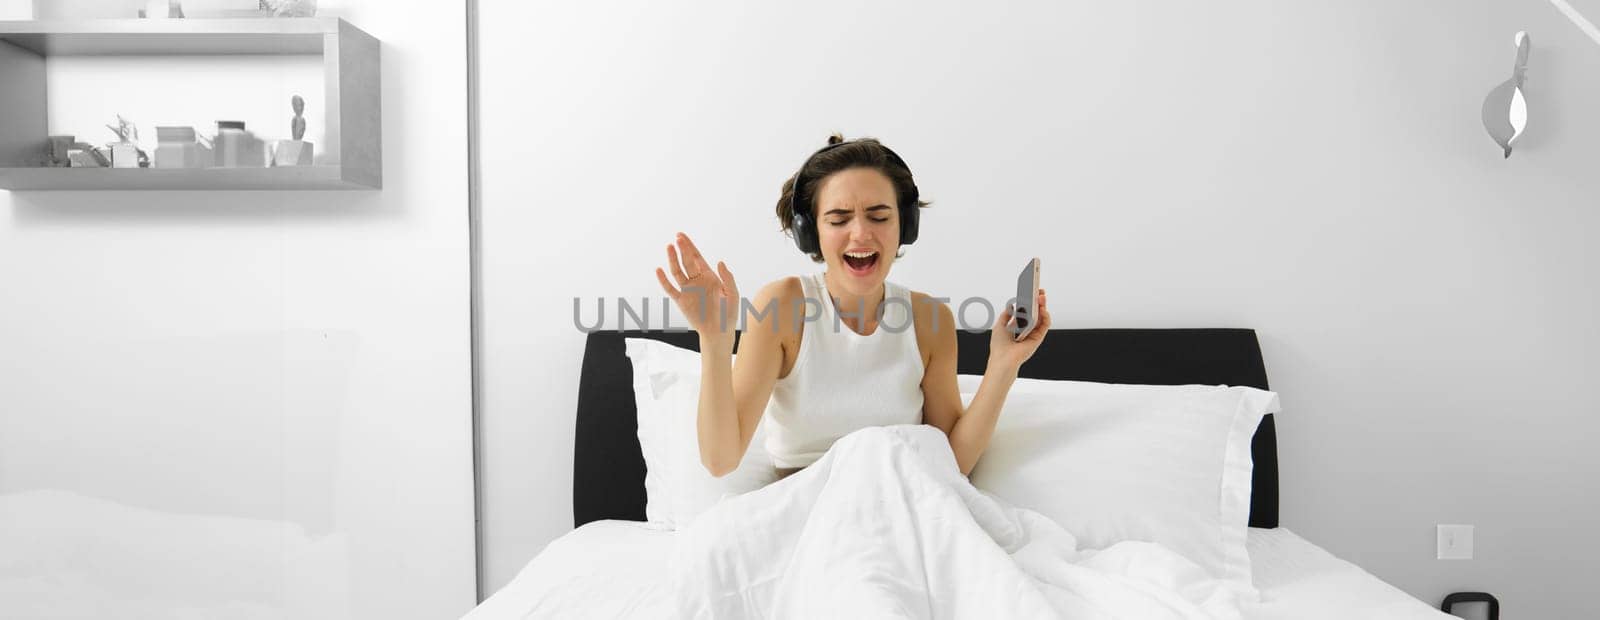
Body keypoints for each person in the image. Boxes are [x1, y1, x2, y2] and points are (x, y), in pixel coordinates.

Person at [653, 134, 1050, 479]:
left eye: (879, 216)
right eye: (838, 219)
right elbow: (720, 461)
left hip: (903, 505)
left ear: (905, 227)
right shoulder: (783, 306)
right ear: (810, 234)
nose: (860, 233)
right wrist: (714, 340)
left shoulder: (930, 320)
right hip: (807, 515)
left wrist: (1003, 364)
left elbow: (953, 463)